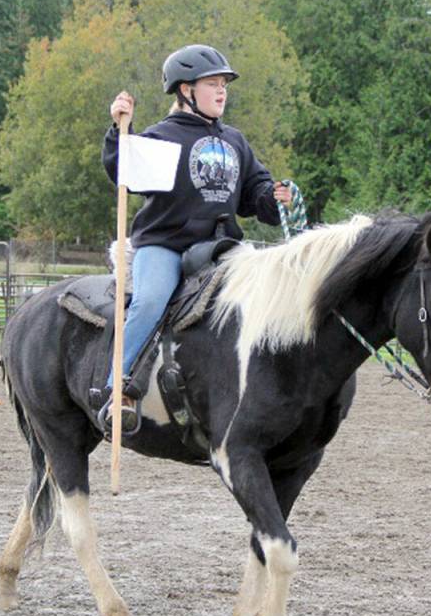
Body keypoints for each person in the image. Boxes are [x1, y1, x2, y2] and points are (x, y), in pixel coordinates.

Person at [98, 44, 292, 433]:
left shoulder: (235, 141)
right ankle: (118, 387)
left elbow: (254, 193)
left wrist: (275, 197)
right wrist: (120, 131)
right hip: (166, 245)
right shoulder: (163, 136)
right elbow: (126, 173)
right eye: (213, 84)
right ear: (186, 90)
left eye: (224, 84)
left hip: (223, 248)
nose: (222, 91)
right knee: (151, 301)